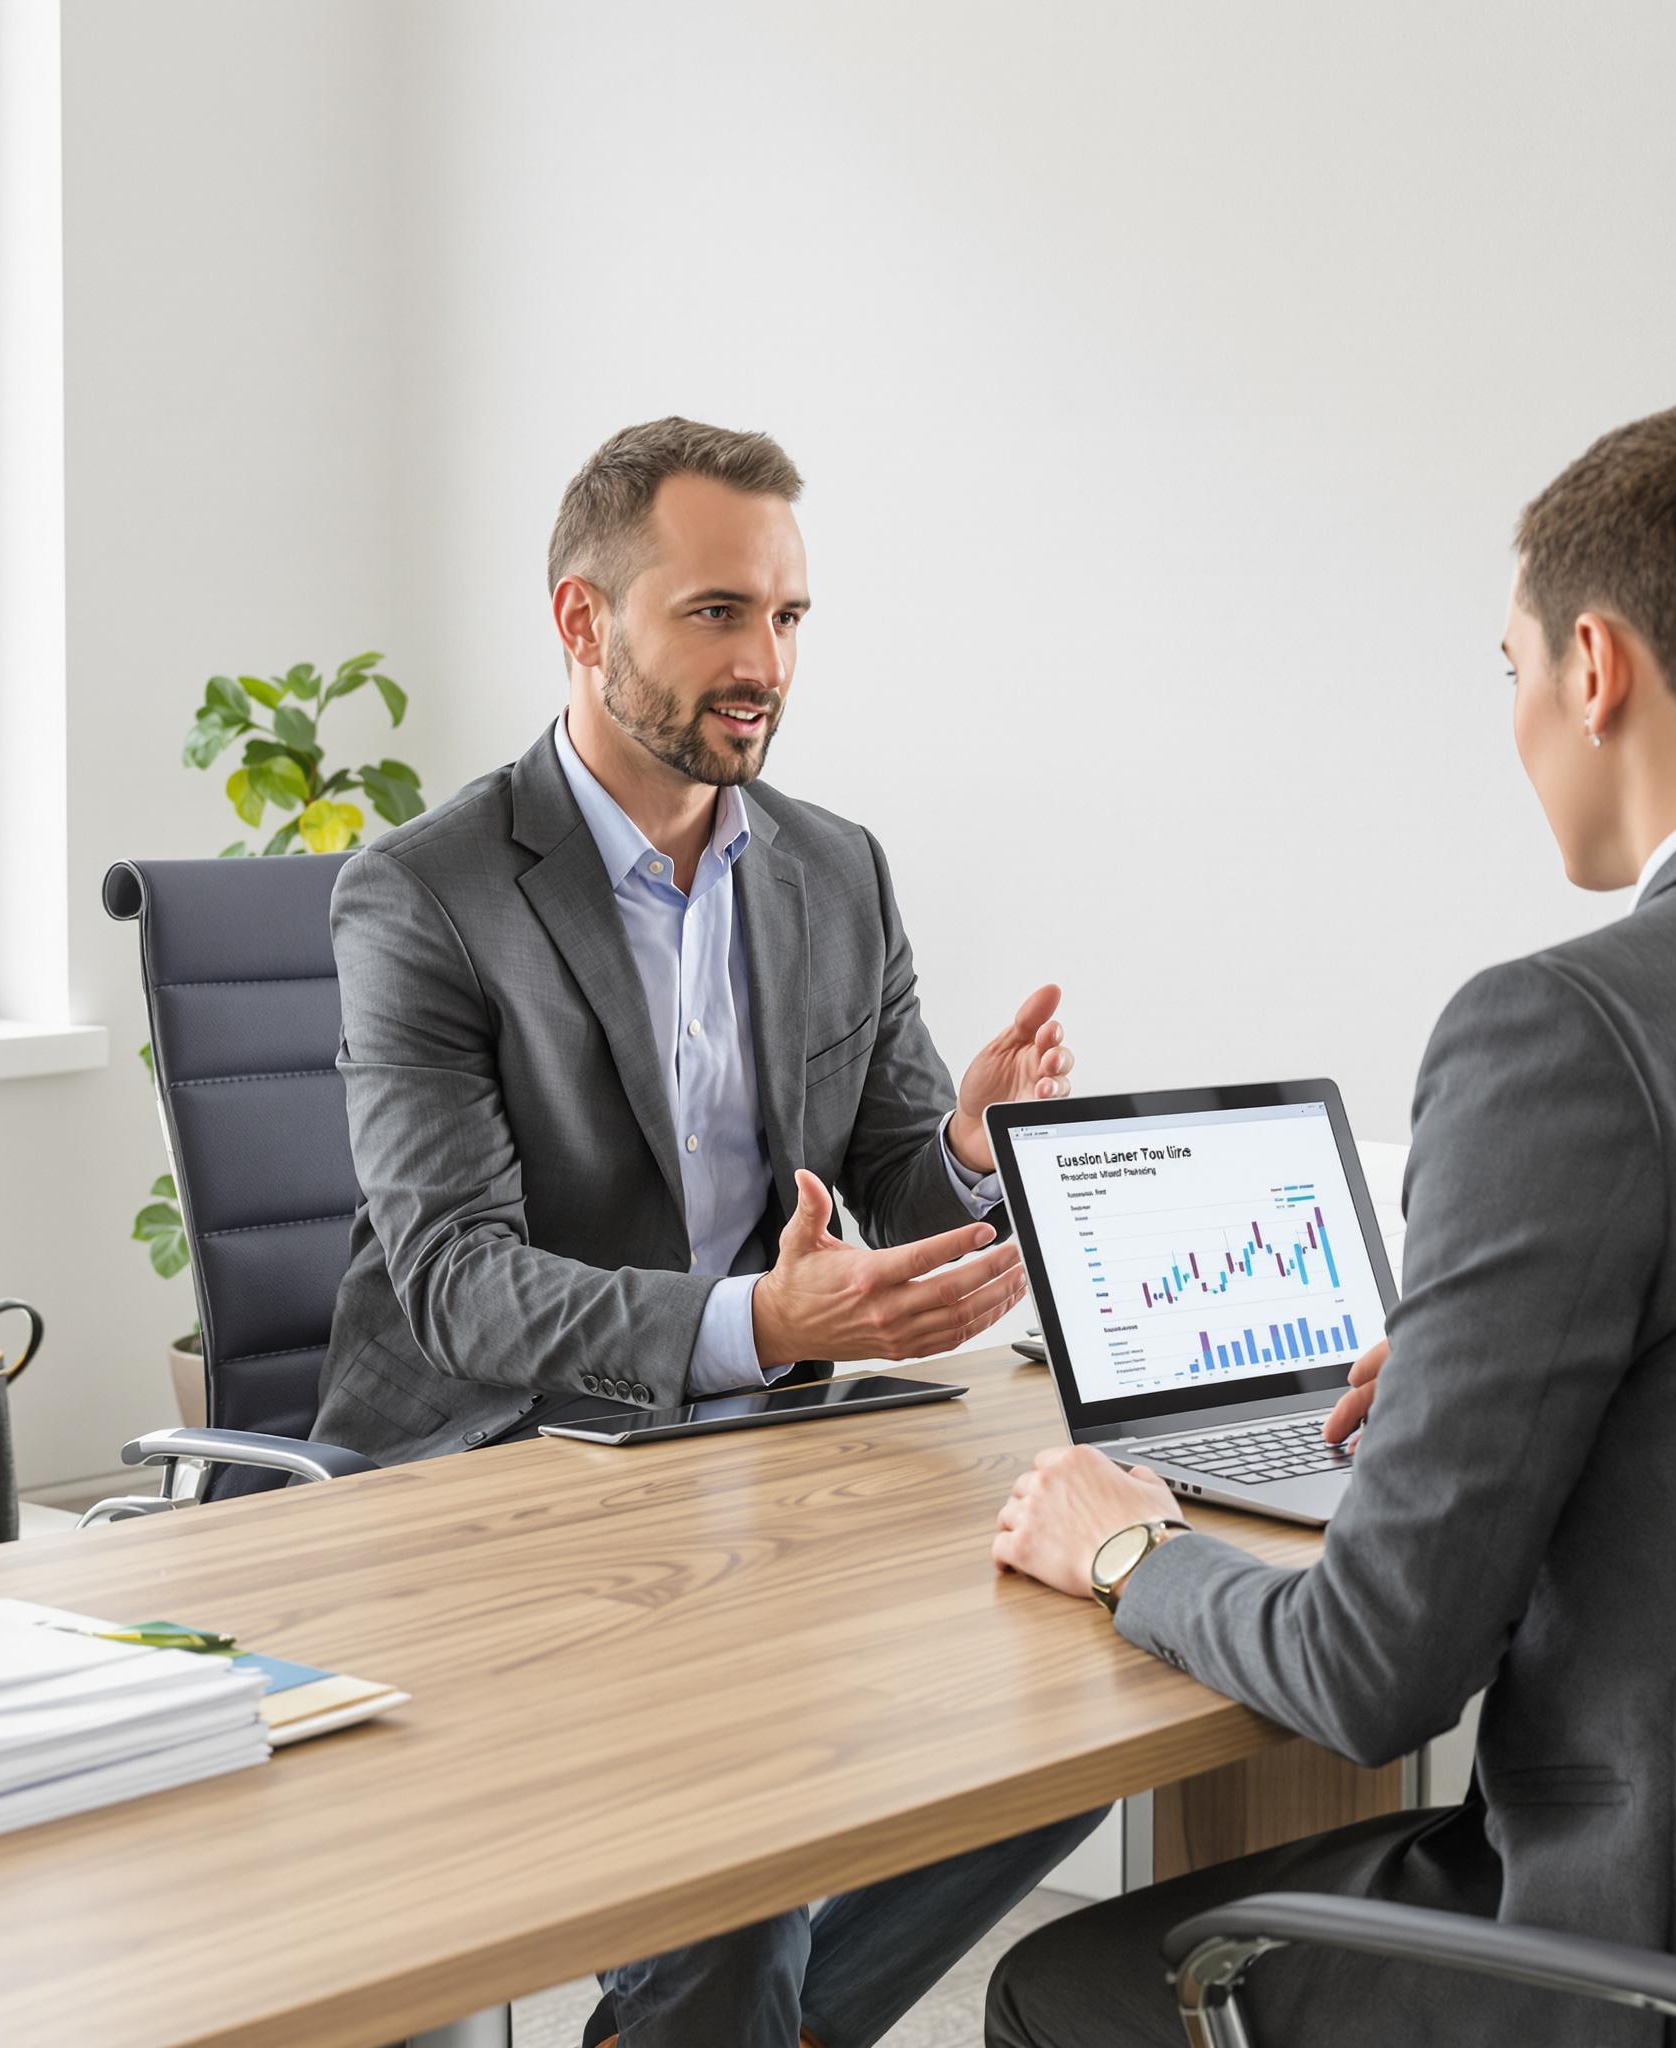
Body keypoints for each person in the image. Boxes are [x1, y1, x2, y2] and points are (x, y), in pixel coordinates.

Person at [984, 403, 1676, 2048]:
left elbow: (1373, 1676)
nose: (1512, 720)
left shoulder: (1563, 1032)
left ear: (1594, 664)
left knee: (1059, 1989)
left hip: (1666, 1958)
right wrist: (1473, 1377)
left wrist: (1124, 1543)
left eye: (1506, 669)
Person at [310, 417, 1101, 2047]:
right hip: (503, 1483)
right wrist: (763, 1326)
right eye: (718, 614)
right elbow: (457, 1283)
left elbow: (880, 1175)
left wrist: (959, 1140)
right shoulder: (429, 892)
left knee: (1099, 1688)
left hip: (766, 1477)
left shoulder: (832, 868)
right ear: (584, 623)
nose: (765, 664)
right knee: (740, 1883)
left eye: (788, 619)